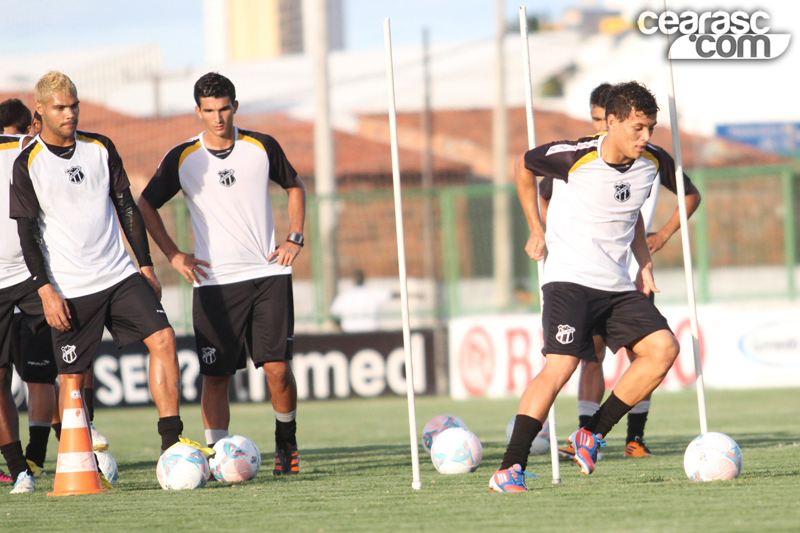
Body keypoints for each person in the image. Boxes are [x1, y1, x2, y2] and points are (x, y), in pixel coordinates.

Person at [10, 71, 205, 494]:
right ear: (40, 110)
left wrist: (146, 265)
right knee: (73, 379)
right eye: (60, 107)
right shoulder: (27, 164)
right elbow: (26, 234)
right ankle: (80, 463)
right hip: (69, 287)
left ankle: (171, 445)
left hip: (119, 274)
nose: (70, 113)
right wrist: (45, 290)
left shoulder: (101, 147)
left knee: (164, 339)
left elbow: (126, 206)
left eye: (74, 105)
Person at [489, 81, 681, 492]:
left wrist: (644, 263)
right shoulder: (574, 156)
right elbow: (522, 165)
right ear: (611, 122)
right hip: (570, 281)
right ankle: (509, 468)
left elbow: (631, 213)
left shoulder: (650, 163)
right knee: (561, 368)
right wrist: (535, 228)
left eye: (650, 128)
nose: (645, 137)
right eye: (638, 128)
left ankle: (591, 433)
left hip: (616, 285)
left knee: (663, 349)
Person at [138, 72, 306, 475]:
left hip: (268, 275)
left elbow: (295, 186)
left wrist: (294, 237)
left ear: (235, 106)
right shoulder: (183, 157)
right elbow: (146, 204)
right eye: (210, 110)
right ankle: (217, 455)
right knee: (216, 376)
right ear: (198, 111)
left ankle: (286, 441)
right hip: (214, 283)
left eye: (224, 109)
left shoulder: (261, 146)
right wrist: (174, 254)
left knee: (278, 369)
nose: (218, 118)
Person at [541, 83, 702, 459]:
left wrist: (662, 234)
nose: (599, 126)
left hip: (631, 269)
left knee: (646, 353)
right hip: (586, 272)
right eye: (595, 120)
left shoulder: (648, 157)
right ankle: (586, 436)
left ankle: (634, 438)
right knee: (591, 354)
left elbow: (690, 194)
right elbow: (544, 195)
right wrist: (555, 234)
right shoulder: (582, 158)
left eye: (604, 119)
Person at [330, 270, 395, 332]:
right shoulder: (372, 292)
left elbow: (334, 314)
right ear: (364, 279)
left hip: (350, 334)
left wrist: (340, 329)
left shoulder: (344, 296)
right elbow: (391, 295)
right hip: (371, 333)